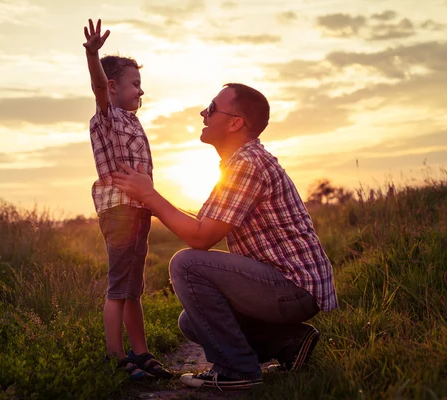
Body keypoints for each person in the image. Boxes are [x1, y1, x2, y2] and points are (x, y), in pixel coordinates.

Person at [112, 83, 338, 390]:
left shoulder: (247, 164)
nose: (204, 113)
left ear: (235, 123)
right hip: (286, 285)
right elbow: (203, 223)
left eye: (212, 108)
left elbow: (201, 238)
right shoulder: (236, 165)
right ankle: (291, 342)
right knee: (192, 322)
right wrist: (148, 201)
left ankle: (238, 370)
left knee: (187, 264)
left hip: (293, 287)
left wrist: (150, 196)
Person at [82, 18, 172, 381]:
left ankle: (142, 352)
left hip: (137, 210)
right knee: (119, 286)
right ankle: (116, 357)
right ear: (114, 87)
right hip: (119, 210)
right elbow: (97, 86)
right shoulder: (108, 116)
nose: (141, 92)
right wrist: (93, 54)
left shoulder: (132, 121)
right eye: (135, 85)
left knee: (134, 287)